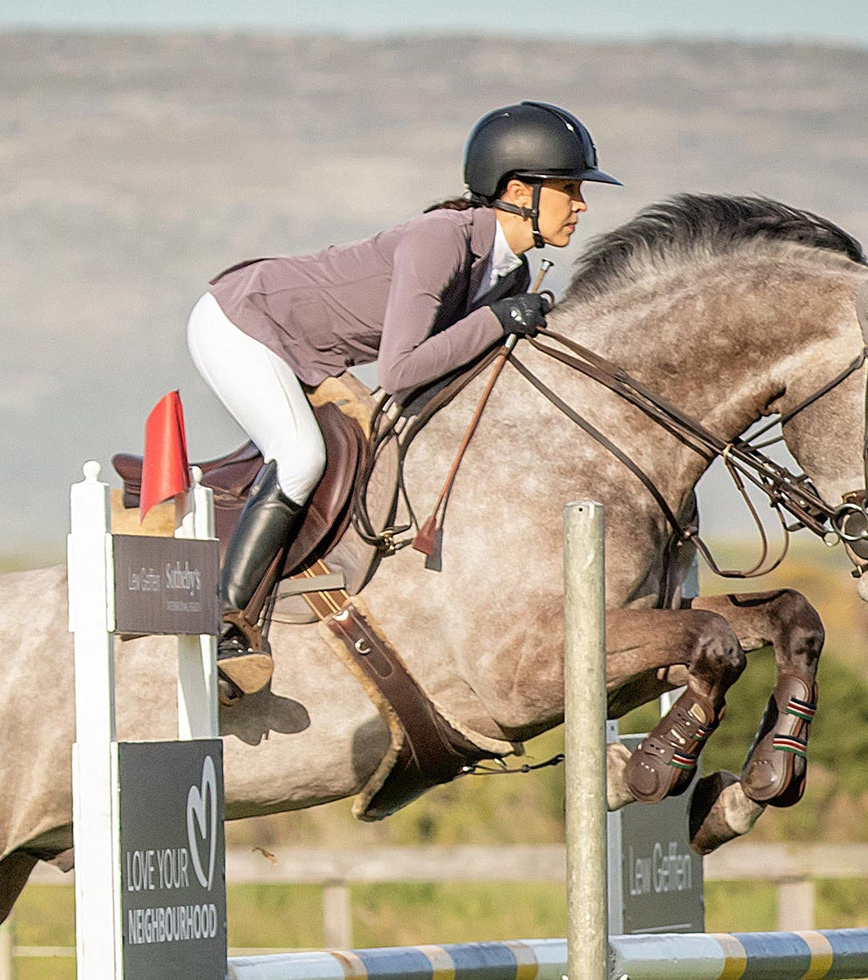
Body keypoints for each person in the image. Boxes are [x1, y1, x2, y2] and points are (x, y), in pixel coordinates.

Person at [187, 101, 621, 698]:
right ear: (519, 190)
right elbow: (402, 369)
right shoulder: (440, 239)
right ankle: (226, 627)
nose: (582, 205)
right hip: (244, 322)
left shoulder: (511, 273)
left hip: (311, 350)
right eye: (569, 189)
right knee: (302, 458)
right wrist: (498, 321)